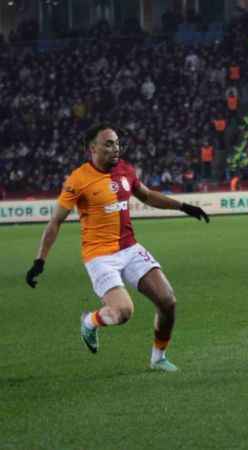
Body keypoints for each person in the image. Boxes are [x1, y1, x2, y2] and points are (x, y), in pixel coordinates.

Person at [25, 123, 210, 372]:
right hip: (99, 256)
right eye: (109, 144)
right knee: (123, 312)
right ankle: (90, 321)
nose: (116, 148)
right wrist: (40, 260)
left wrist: (184, 207)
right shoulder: (78, 179)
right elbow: (56, 221)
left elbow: (147, 195)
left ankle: (158, 358)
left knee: (168, 302)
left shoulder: (124, 170)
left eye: (117, 143)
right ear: (93, 148)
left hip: (130, 248)